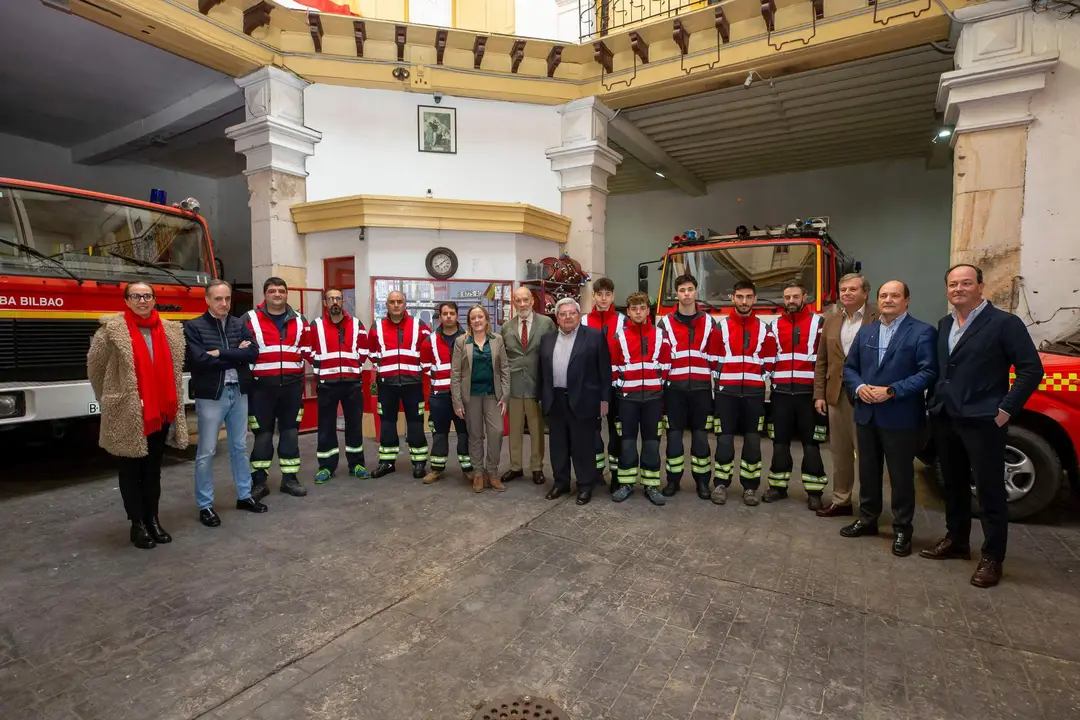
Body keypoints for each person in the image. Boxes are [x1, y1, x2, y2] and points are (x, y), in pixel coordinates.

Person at [921, 264, 1042, 588]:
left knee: (989, 491)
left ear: (981, 287)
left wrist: (1005, 409)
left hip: (984, 421)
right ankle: (957, 540)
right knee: (954, 485)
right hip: (946, 418)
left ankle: (992, 557)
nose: (958, 289)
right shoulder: (945, 324)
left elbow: (1031, 369)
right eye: (952, 284)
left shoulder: (1004, 324)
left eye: (965, 283)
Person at [87, 282, 188, 549]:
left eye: (147, 296)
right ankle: (137, 524)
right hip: (128, 412)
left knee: (153, 469)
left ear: (154, 299)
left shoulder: (170, 330)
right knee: (130, 470)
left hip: (161, 411)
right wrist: (111, 398)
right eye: (136, 296)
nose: (142, 300)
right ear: (127, 300)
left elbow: (176, 368)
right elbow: (95, 369)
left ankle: (153, 519)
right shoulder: (110, 331)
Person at [840, 281, 937, 556]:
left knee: (901, 476)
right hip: (867, 414)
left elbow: (928, 372)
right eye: (883, 295)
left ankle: (902, 529)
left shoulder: (922, 332)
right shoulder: (867, 333)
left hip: (901, 416)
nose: (888, 299)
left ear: (907, 300)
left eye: (895, 295)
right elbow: (850, 368)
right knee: (868, 471)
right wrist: (859, 387)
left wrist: (892, 391)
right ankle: (868, 518)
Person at [184, 280, 264, 527]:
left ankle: (244, 495)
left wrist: (220, 353)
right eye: (218, 299)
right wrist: (234, 354)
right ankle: (205, 505)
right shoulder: (193, 327)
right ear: (207, 300)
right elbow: (198, 361)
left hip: (238, 392)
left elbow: (253, 353)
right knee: (206, 451)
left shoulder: (238, 324)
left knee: (239, 447)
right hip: (212, 395)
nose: (224, 303)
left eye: (227, 299)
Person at [813, 273, 877, 518]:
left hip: (868, 396)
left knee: (867, 453)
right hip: (836, 395)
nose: (847, 294)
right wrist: (819, 393)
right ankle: (841, 500)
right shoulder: (831, 321)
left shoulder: (878, 317)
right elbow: (822, 360)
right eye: (843, 290)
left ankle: (869, 505)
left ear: (865, 292)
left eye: (853, 289)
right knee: (839, 452)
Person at [538, 297, 612, 506]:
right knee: (558, 446)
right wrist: (542, 398)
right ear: (557, 318)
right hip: (556, 401)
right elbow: (542, 372)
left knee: (583, 447)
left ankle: (585, 485)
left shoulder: (594, 337)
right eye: (563, 314)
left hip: (584, 401)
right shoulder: (547, 339)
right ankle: (561, 482)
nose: (568, 317)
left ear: (579, 316)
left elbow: (604, 371)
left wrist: (604, 399)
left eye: (572, 313)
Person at [708, 280, 776, 506]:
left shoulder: (764, 329)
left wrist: (758, 376)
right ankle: (720, 483)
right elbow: (712, 358)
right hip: (726, 393)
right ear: (733, 298)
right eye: (740, 297)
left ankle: (750, 487)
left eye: (748, 297)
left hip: (754, 394)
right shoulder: (721, 327)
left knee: (753, 442)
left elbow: (770, 359)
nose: (744, 301)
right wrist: (725, 376)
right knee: (724, 441)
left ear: (755, 299)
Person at [765, 281, 828, 509]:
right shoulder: (774, 326)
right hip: (781, 394)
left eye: (795, 297)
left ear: (805, 297)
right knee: (779, 443)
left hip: (808, 395)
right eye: (787, 297)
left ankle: (814, 492)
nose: (791, 301)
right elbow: (767, 358)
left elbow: (825, 360)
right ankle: (778, 487)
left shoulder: (819, 324)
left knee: (811, 444)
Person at [245, 277, 308, 500]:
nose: (277, 294)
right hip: (261, 389)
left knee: (290, 433)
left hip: (291, 388)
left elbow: (309, 349)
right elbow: (239, 350)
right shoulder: (249, 319)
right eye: (272, 291)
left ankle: (290, 480)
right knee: (262, 435)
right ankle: (259, 482)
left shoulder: (300, 320)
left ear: (286, 294)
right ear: (265, 294)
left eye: (281, 290)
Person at [609, 292, 670, 505]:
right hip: (627, 400)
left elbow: (666, 365)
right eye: (634, 309)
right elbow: (614, 368)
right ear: (628, 312)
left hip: (653, 399)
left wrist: (656, 385)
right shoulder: (620, 337)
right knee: (627, 443)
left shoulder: (661, 335)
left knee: (652, 444)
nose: (638, 312)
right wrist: (623, 388)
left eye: (642, 308)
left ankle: (652, 485)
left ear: (648, 311)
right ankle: (626, 484)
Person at [656, 274, 714, 499]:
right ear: (676, 294)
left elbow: (716, 354)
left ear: (696, 292)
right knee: (673, 438)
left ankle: (702, 483)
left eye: (690, 289)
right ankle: (673, 480)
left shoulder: (709, 322)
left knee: (701, 439)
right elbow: (659, 356)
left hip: (701, 390)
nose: (686, 294)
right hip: (674, 391)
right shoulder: (666, 323)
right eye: (682, 290)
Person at [304, 288, 370, 485]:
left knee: (354, 425)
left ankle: (356, 464)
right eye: (331, 298)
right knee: (326, 426)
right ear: (325, 303)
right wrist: (319, 365)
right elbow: (307, 349)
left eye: (338, 298)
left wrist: (356, 365)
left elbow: (365, 348)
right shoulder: (315, 325)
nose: (335, 302)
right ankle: (326, 466)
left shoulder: (356, 324)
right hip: (326, 383)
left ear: (343, 301)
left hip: (352, 383)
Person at [369, 290, 432, 479]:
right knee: (387, 423)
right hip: (387, 384)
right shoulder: (377, 326)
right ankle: (387, 462)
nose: (396, 305)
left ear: (405, 305)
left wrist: (416, 370)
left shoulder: (419, 326)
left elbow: (428, 350)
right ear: (386, 305)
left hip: (412, 384)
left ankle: (419, 463)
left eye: (399, 302)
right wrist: (384, 368)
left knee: (415, 423)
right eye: (392, 302)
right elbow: (371, 352)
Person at [451, 305, 510, 492]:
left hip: (493, 395)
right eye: (473, 318)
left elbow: (505, 369)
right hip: (471, 396)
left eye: (480, 317)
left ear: (486, 319)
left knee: (497, 432)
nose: (477, 320)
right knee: (475, 435)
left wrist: (505, 396)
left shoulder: (497, 340)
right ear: (469, 321)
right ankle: (478, 473)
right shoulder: (461, 341)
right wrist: (457, 401)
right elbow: (455, 373)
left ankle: (492, 472)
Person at [500, 287, 554, 486]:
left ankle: (537, 467)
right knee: (514, 429)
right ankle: (515, 467)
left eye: (525, 300)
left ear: (532, 301)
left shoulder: (547, 323)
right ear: (514, 303)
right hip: (513, 386)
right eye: (518, 300)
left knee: (537, 429)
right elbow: (502, 358)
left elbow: (553, 352)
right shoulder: (506, 327)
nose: (522, 304)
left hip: (536, 385)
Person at [580, 277, 626, 491]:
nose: (604, 298)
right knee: (592, 432)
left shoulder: (624, 321)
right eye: (600, 294)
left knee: (617, 433)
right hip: (593, 389)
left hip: (617, 387)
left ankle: (616, 475)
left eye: (608, 294)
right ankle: (597, 472)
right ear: (594, 296)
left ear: (613, 296)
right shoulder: (583, 322)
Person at [425, 301, 473, 484]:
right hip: (439, 396)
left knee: (464, 433)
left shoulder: (468, 338)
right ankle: (437, 469)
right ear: (440, 315)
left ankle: (468, 468)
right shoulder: (430, 340)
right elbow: (424, 367)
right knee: (439, 433)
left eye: (452, 313)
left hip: (463, 396)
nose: (448, 317)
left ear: (457, 315)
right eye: (445, 313)